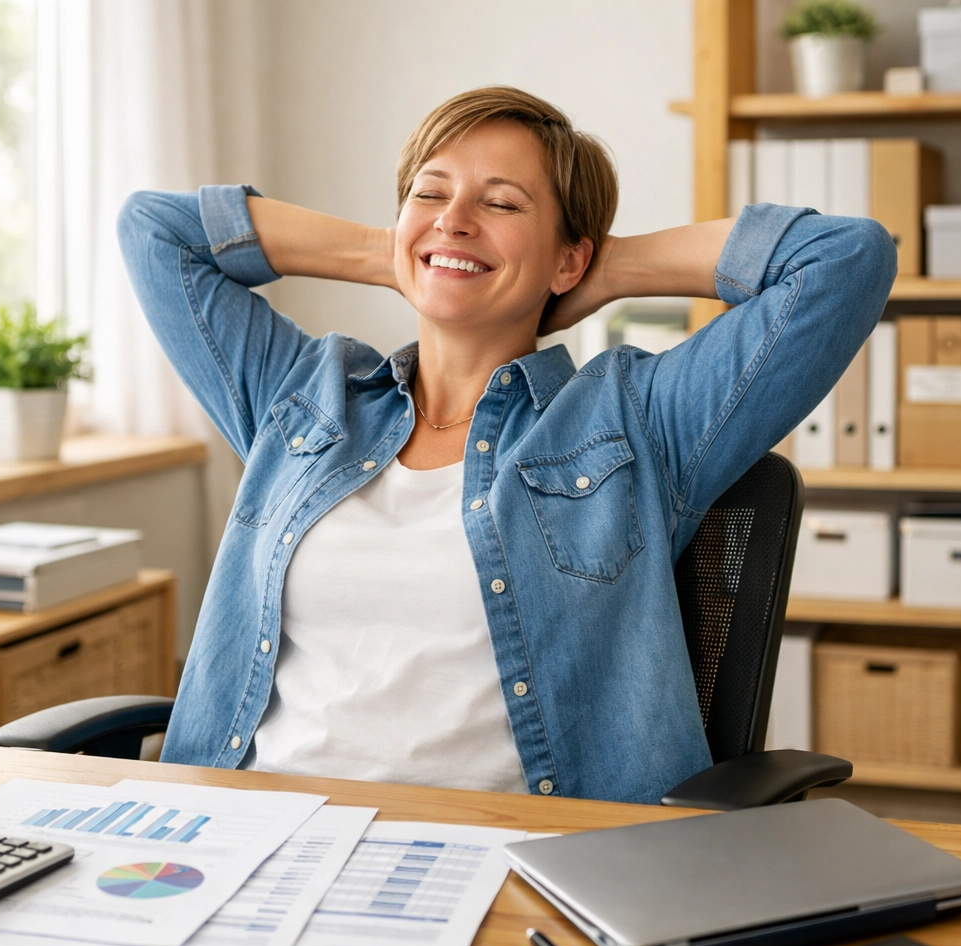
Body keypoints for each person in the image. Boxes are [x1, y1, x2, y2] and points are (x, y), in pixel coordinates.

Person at [118, 86, 896, 804]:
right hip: (259, 830)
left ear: (569, 258)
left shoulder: (633, 417)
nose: (455, 218)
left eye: (500, 203)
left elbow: (845, 258)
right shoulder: (306, 396)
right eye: (430, 193)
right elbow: (155, 229)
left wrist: (606, 269)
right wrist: (396, 253)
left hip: (504, 852)